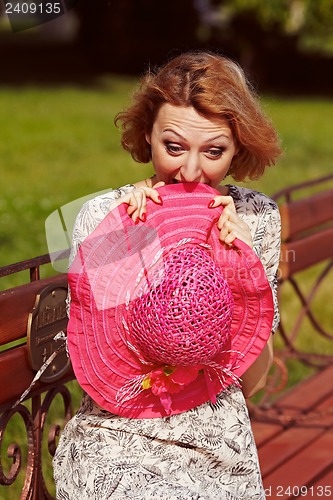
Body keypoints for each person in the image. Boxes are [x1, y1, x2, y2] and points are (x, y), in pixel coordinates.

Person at [53, 50, 282, 499]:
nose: (191, 171)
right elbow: (104, 374)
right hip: (119, 436)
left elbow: (252, 382)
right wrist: (127, 239)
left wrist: (244, 271)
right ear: (147, 136)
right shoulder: (106, 215)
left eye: (214, 151)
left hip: (218, 444)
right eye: (173, 147)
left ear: (239, 147)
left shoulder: (256, 218)